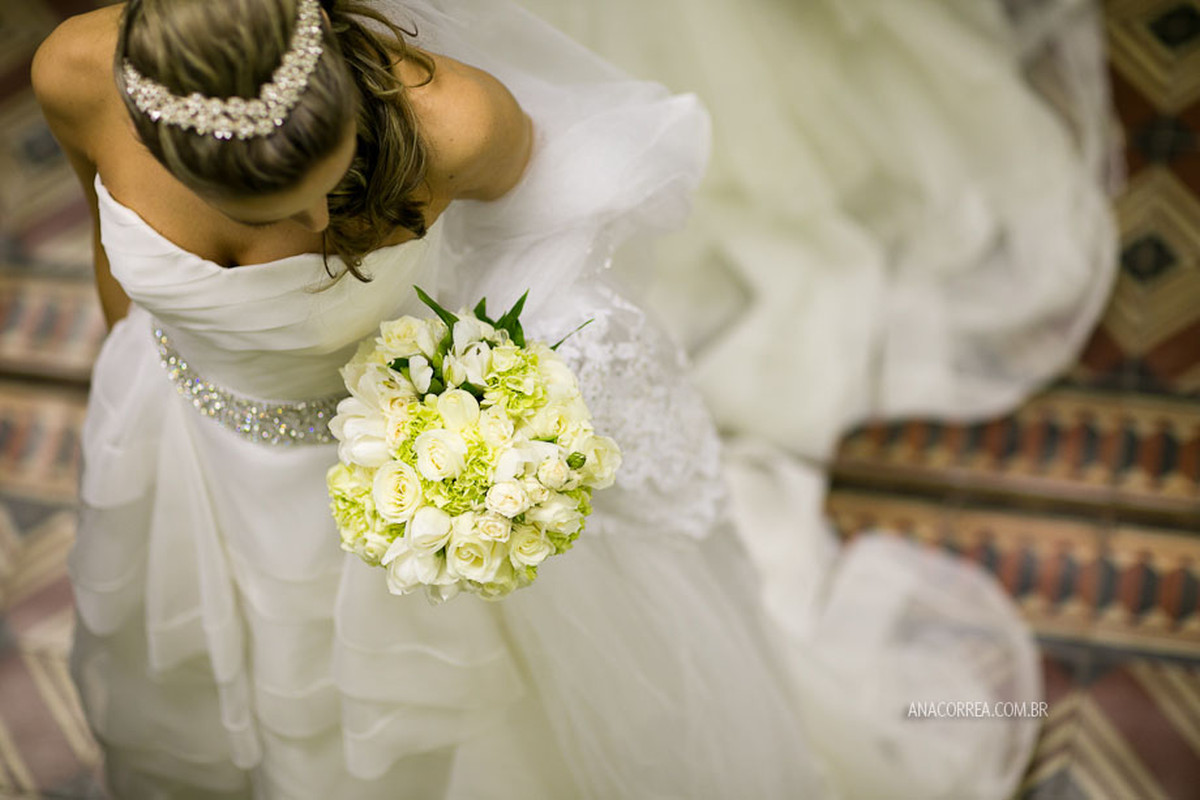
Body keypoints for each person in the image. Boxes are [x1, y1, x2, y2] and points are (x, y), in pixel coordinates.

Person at [31, 0, 1067, 797]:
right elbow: (107, 239)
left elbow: (559, 230)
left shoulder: (452, 117)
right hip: (183, 448)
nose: (310, 220)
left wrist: (494, 397)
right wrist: (141, 376)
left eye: (326, 187)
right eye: (270, 206)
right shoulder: (76, 70)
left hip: (406, 458)